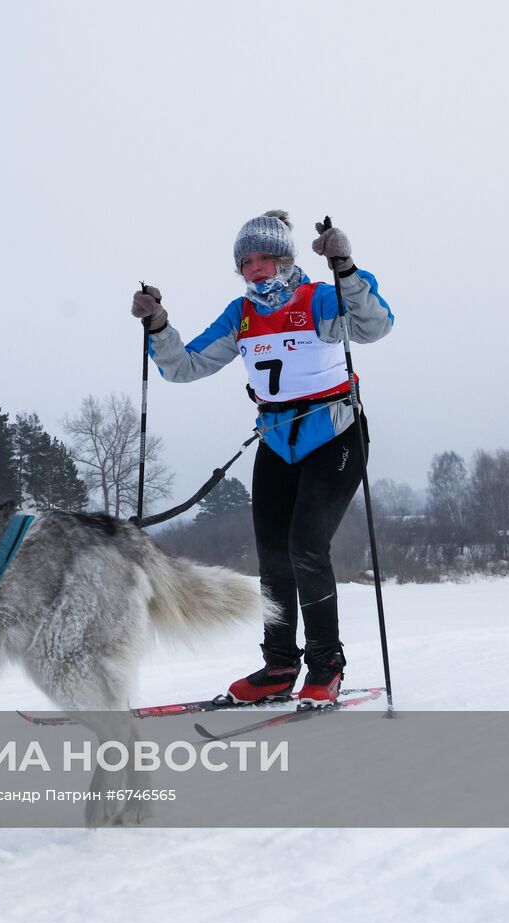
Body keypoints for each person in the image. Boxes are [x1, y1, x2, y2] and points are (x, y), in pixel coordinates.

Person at [131, 211, 393, 706]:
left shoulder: (321, 297)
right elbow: (183, 366)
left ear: (284, 258)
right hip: (276, 438)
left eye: (264, 258)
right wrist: (159, 325)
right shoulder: (240, 315)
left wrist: (346, 267)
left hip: (335, 434)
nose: (255, 268)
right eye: (245, 261)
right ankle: (278, 666)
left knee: (306, 546)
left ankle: (326, 665)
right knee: (273, 558)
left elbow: (373, 327)